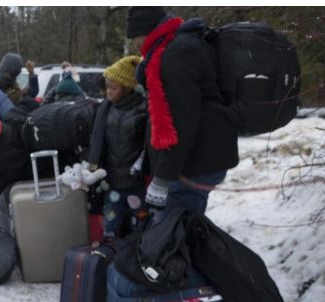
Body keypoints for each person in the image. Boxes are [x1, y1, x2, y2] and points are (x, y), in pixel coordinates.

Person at [125, 6, 238, 221]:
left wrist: (162, 179)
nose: (135, 43)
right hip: (198, 159)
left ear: (148, 30)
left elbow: (180, 120)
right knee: (185, 230)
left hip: (193, 164)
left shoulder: (174, 55)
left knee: (172, 235)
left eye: (135, 36)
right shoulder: (173, 47)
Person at [86, 55, 147, 237]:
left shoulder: (143, 110)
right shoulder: (106, 110)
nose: (108, 92)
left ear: (127, 88)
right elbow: (99, 142)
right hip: (113, 181)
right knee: (110, 222)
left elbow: (148, 145)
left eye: (113, 88)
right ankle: (109, 250)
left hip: (135, 181)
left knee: (141, 221)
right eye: (107, 88)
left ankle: (140, 250)